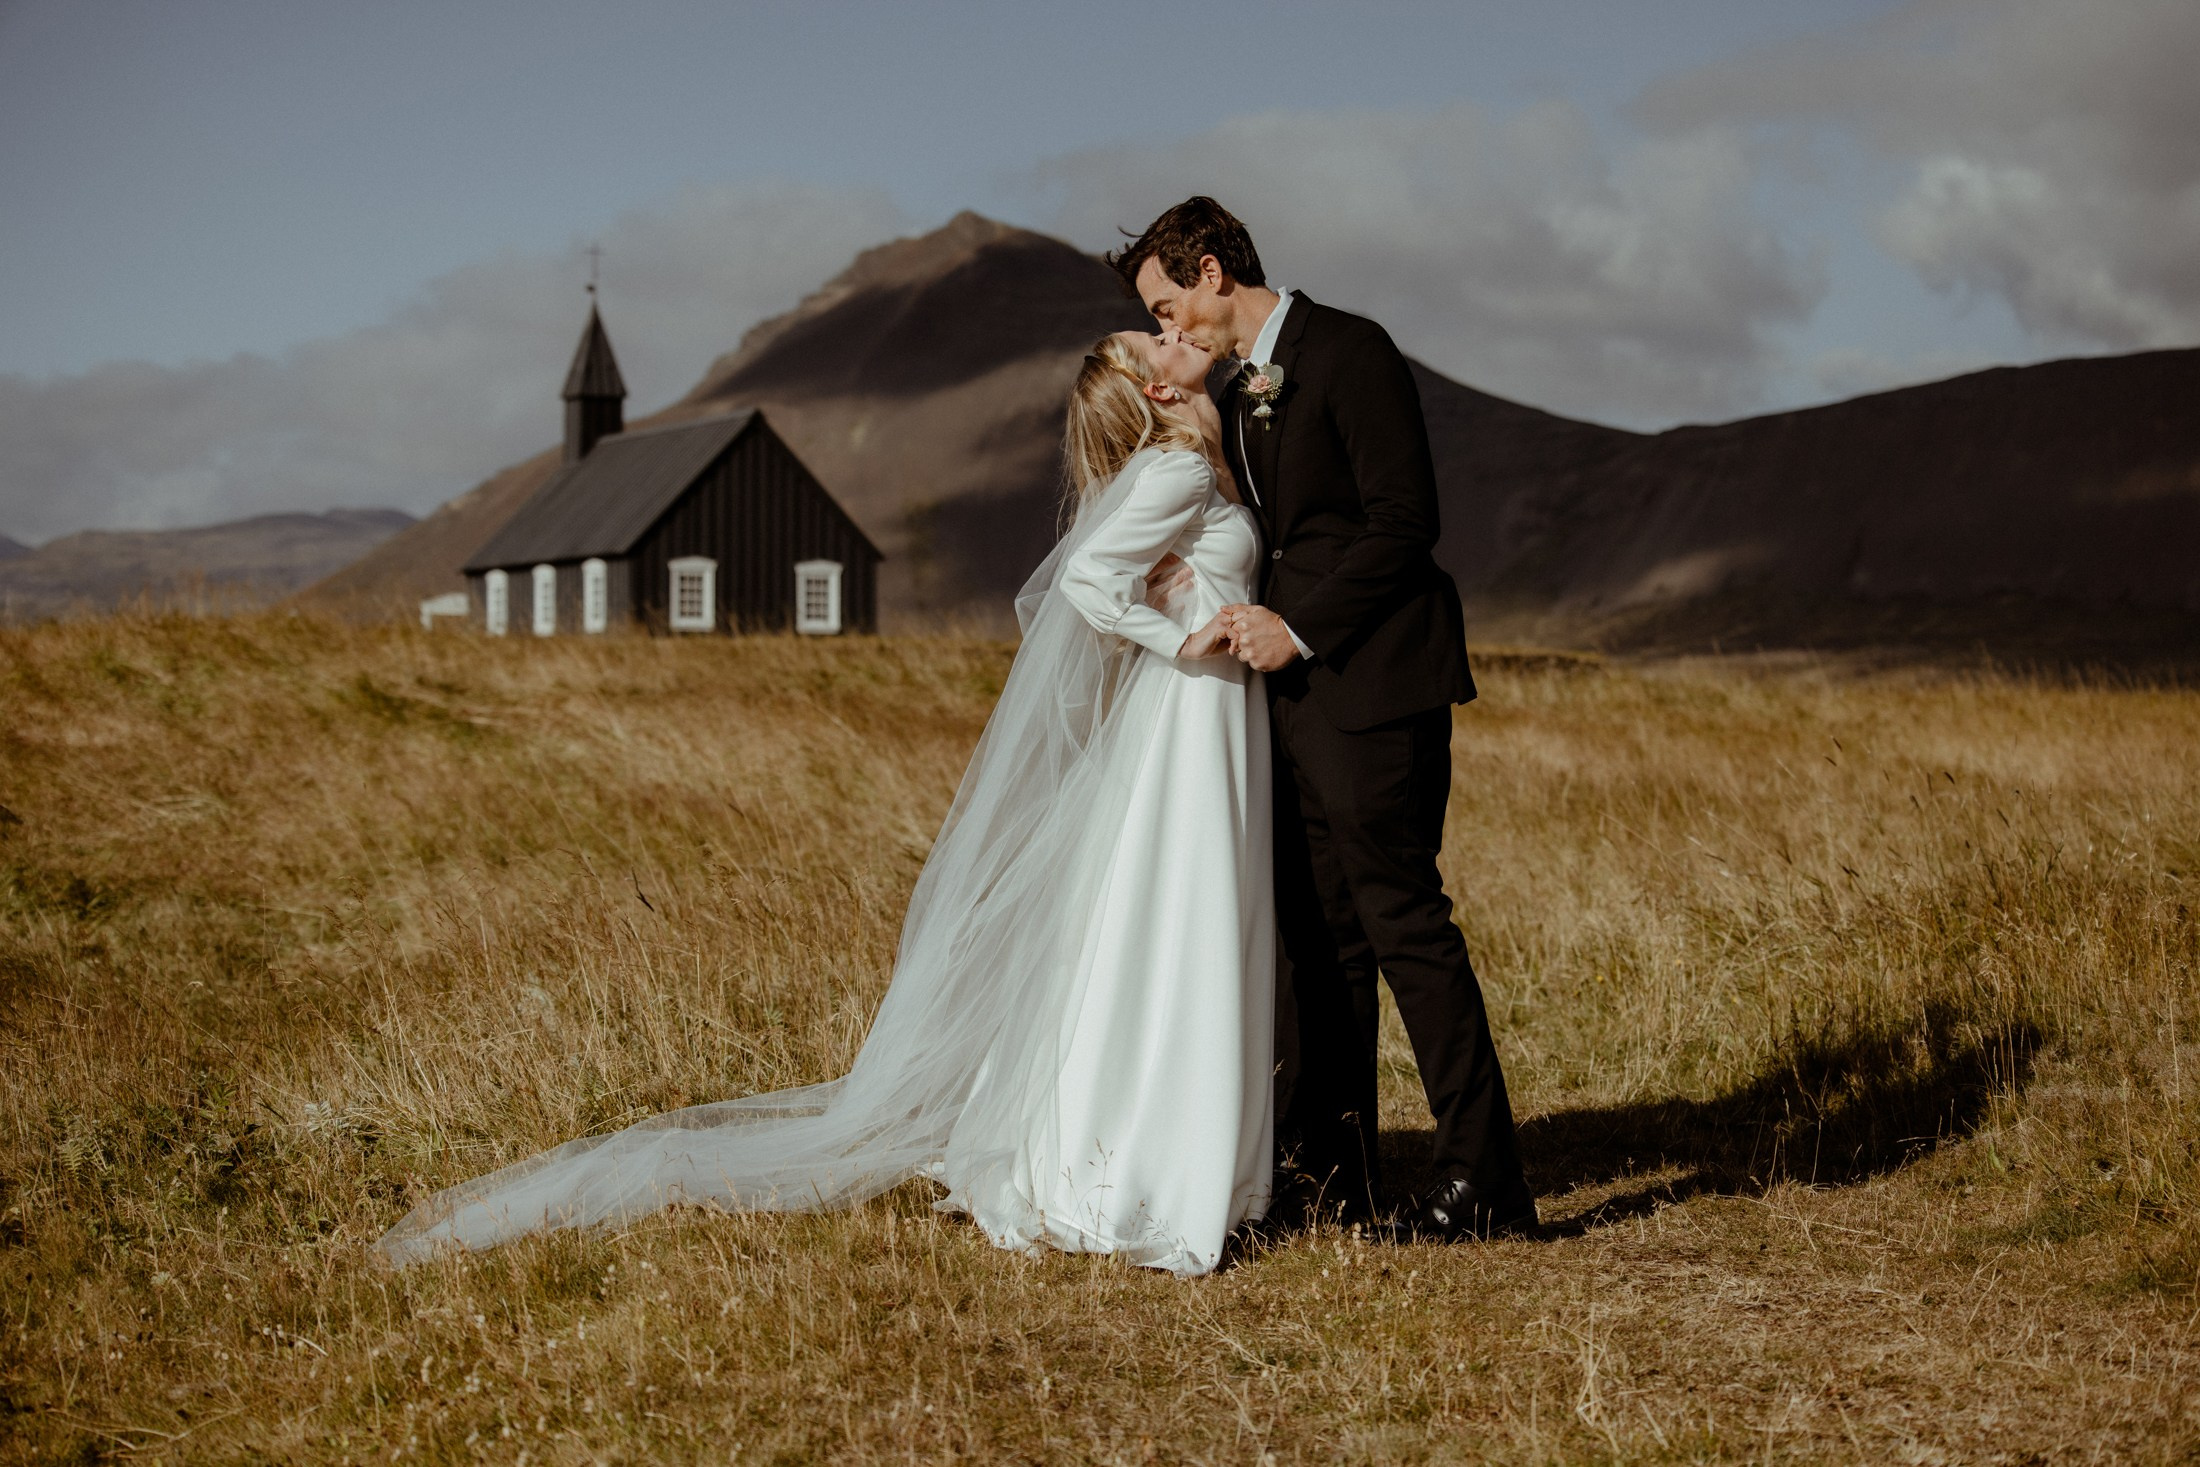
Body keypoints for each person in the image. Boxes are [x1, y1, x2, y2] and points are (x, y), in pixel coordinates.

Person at [378, 328, 1275, 1277]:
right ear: (1152, 391)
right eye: (1153, 337)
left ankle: (1152, 1147)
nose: (1172, 334)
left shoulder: (1194, 464)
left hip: (1204, 717)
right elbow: (1092, 580)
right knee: (1180, 919)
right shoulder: (1176, 473)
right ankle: (1140, 1162)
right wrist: (1177, 637)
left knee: (1166, 923)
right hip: (1190, 711)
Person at [1109, 196, 1536, 1240]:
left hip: (1378, 685)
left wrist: (1296, 629)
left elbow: (1404, 522)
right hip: (1296, 701)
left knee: (1403, 926)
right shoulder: (1240, 388)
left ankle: (1483, 1179)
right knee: (1318, 938)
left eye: (1168, 305)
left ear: (1212, 272)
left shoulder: (1351, 351)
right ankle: (1330, 1175)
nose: (1169, 328)